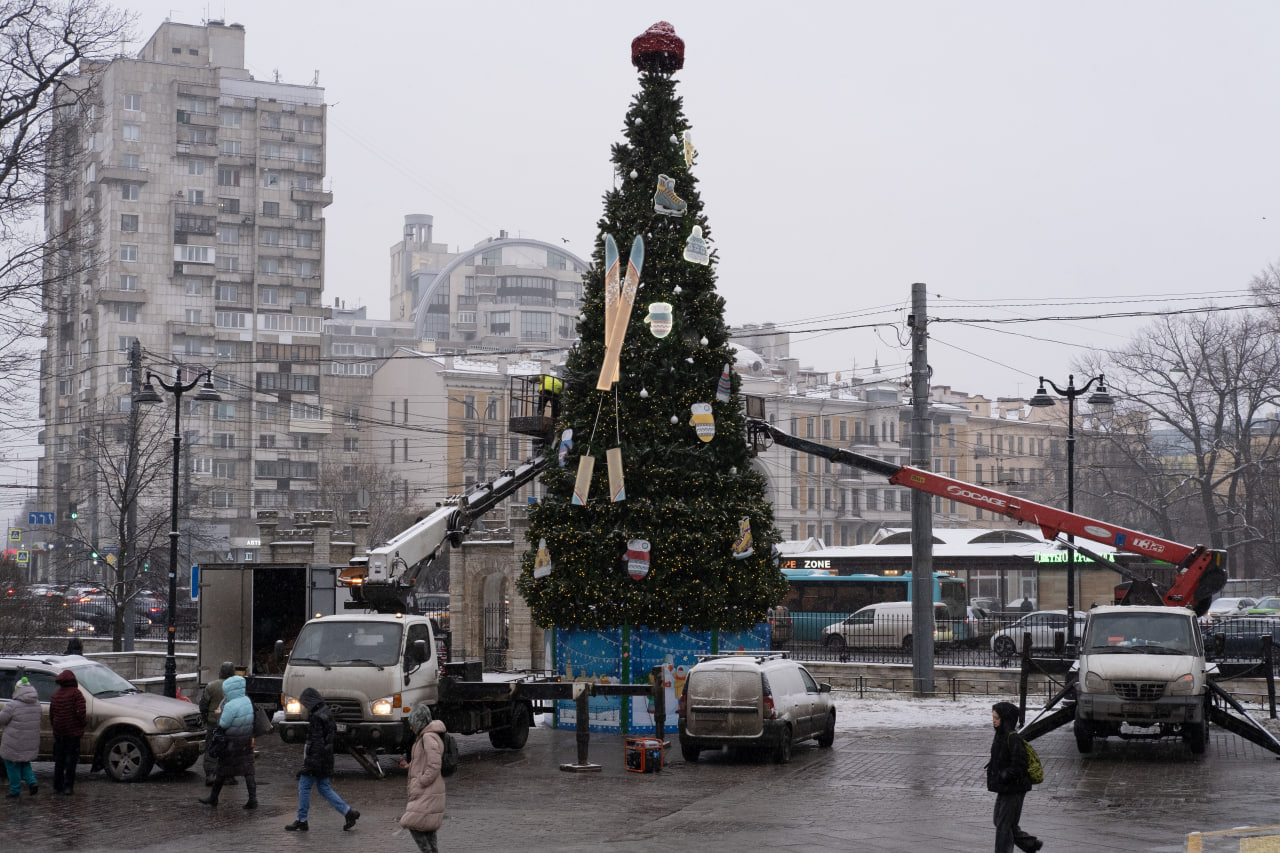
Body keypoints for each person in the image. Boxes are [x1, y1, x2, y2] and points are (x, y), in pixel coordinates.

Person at [286, 687, 359, 832]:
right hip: (325, 758)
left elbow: (316, 743)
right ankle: (348, 812)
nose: (305, 707)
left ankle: (302, 820)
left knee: (304, 787)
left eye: (305, 703)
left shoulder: (316, 718)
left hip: (316, 759)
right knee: (324, 788)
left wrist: (310, 764)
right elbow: (327, 740)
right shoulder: (327, 713)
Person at [987, 702, 1042, 853]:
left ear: (1006, 719)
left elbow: (1020, 765)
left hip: (1014, 788)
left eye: (997, 718)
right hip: (1005, 786)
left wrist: (1005, 774)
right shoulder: (1000, 736)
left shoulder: (1013, 738)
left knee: (1003, 825)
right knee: (1000, 821)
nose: (994, 721)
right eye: (993, 717)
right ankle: (1030, 844)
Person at [199, 674, 257, 809]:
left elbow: (224, 724)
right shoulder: (247, 700)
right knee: (248, 769)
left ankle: (213, 798)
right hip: (246, 741)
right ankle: (253, 799)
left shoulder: (230, 705)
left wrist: (219, 714)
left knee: (222, 769)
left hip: (231, 742)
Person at [398, 703, 447, 853]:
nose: (411, 728)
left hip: (427, 790)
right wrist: (410, 766)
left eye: (412, 725)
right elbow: (425, 760)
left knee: (413, 823)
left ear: (419, 723)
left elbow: (434, 764)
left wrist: (422, 780)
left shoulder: (427, 737)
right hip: (429, 790)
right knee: (427, 827)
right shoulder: (426, 736)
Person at [0, 677, 40, 800]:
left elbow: (2, 719)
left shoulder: (13, 705)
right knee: (24, 763)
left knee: (12, 766)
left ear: (18, 690)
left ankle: (15, 790)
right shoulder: (37, 704)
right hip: (29, 741)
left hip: (14, 741)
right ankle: (32, 782)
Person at [199, 661, 237, 786]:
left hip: (214, 722)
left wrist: (205, 718)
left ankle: (211, 775)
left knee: (211, 747)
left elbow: (204, 705)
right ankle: (228, 776)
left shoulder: (211, 686)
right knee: (229, 749)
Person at [50, 669, 86, 795]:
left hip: (59, 733)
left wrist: (56, 728)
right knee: (71, 762)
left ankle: (57, 785)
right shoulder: (76, 694)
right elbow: (81, 713)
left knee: (59, 760)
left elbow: (52, 714)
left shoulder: (56, 695)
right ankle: (68, 786)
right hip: (73, 734)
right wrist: (81, 725)